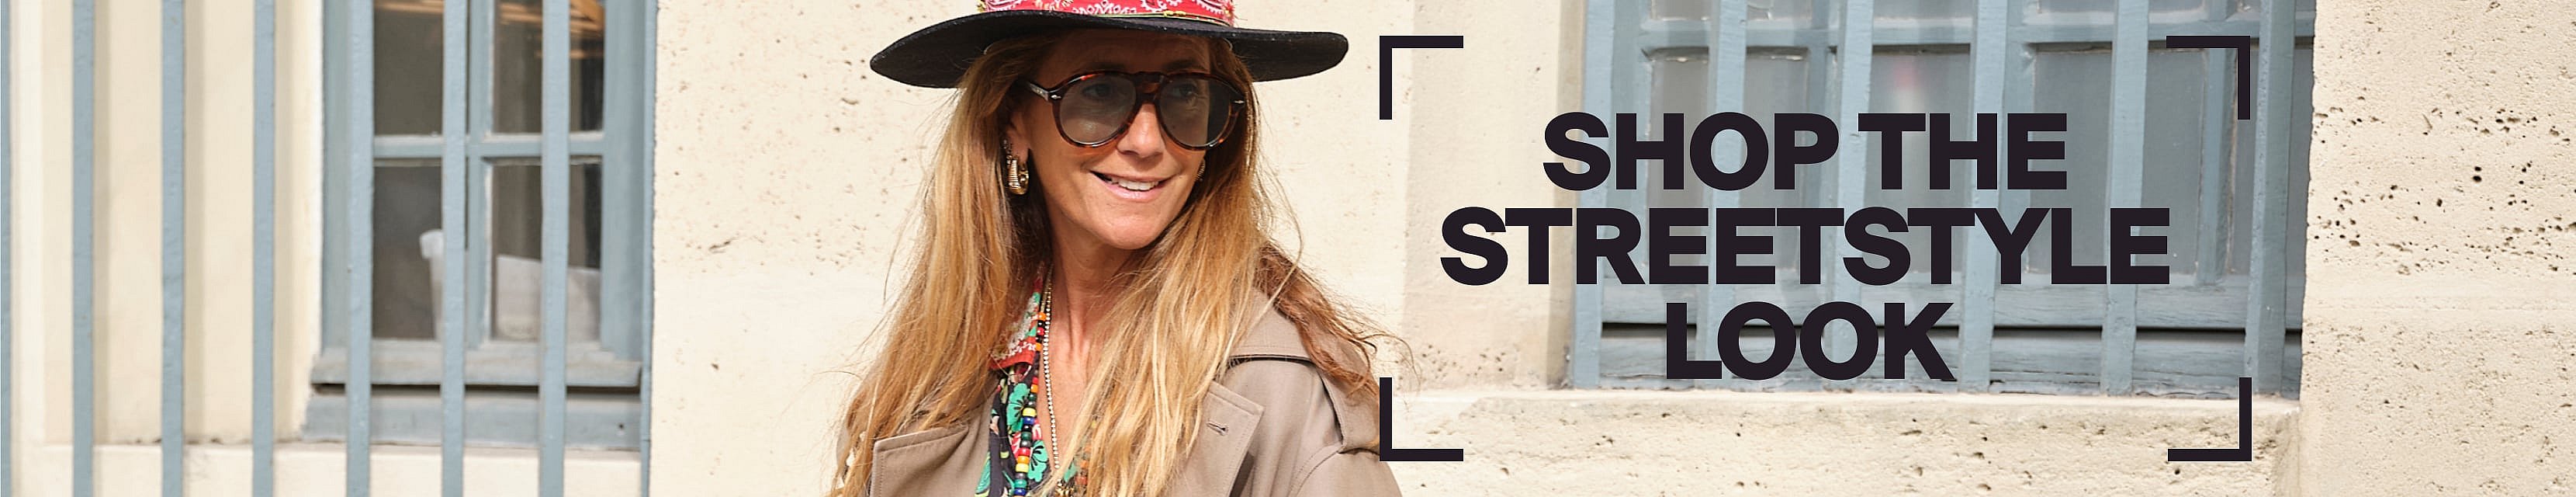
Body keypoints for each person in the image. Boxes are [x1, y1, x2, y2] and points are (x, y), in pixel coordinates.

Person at [833, 2, 1401, 495]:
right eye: (1100, 91)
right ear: (1013, 119)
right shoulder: (944, 363)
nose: (1147, 142)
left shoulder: (1289, 391)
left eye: (1186, 92)